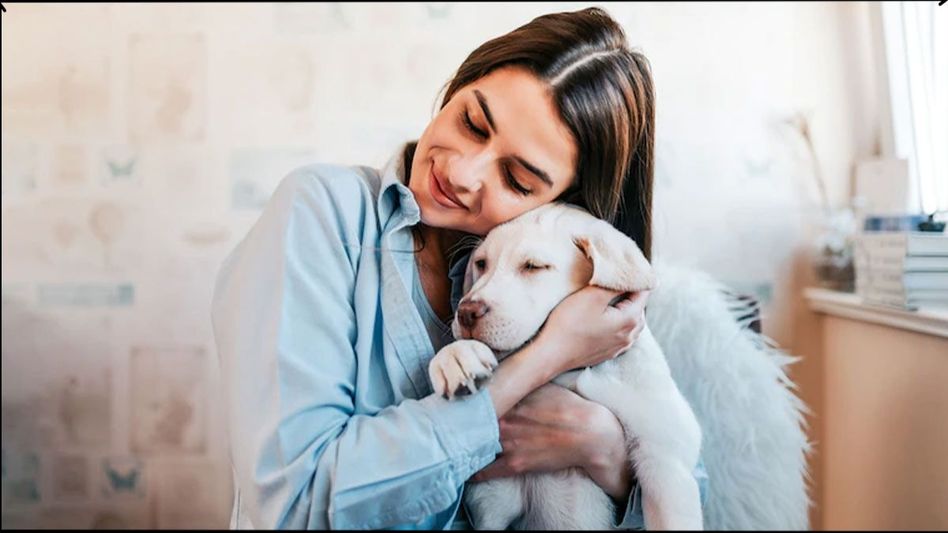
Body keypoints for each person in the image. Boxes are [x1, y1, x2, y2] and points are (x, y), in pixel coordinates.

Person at [211, 6, 706, 530]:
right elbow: (293, 506)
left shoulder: (577, 283)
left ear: (565, 204)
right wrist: (539, 363)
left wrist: (607, 453)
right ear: (456, 87)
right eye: (471, 122)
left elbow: (689, 483)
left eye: (516, 180)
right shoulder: (320, 212)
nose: (461, 172)